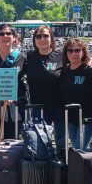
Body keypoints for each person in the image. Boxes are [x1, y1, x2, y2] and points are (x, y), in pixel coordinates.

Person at [25, 25, 65, 155]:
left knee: (61, 141)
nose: (42, 39)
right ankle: (44, 166)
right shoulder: (30, 56)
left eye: (46, 36)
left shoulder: (61, 55)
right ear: (34, 40)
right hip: (39, 107)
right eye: (38, 36)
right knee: (41, 142)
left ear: (51, 38)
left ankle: (61, 164)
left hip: (59, 106)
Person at [59, 38, 92, 150]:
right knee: (79, 151)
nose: (74, 53)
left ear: (83, 52)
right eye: (70, 51)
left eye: (77, 50)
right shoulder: (64, 71)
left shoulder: (90, 70)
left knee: (78, 149)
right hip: (70, 118)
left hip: (86, 119)